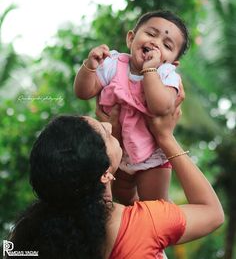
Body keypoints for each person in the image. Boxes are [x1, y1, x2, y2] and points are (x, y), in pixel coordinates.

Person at [5, 106, 224, 259]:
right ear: (104, 175)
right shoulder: (145, 224)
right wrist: (165, 137)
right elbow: (212, 213)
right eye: (104, 133)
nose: (108, 126)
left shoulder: (25, 236)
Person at [74, 10, 190, 204]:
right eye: (151, 34)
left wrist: (150, 70)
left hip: (151, 156)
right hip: (116, 152)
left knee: (155, 207)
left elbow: (160, 107)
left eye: (167, 45)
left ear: (172, 62)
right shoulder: (114, 64)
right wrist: (90, 66)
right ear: (131, 38)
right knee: (124, 198)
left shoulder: (166, 76)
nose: (155, 43)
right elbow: (84, 92)